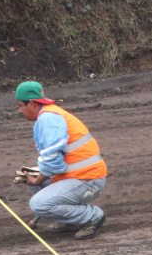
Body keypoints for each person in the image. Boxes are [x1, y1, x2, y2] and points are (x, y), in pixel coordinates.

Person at [14, 81, 107, 240]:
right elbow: (55, 160)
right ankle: (70, 221)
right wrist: (36, 172)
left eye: (20, 105)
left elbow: (52, 159)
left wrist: (37, 180)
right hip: (80, 175)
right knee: (39, 180)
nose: (19, 110)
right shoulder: (50, 114)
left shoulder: (48, 120)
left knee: (39, 204)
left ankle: (93, 216)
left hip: (87, 179)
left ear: (31, 103)